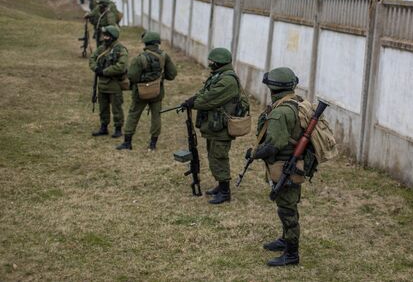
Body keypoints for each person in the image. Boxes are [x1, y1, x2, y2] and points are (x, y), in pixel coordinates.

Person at [250, 67, 303, 266]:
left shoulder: (281, 112)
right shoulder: (295, 103)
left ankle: (291, 254)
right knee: (288, 206)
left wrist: (254, 153)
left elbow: (274, 145)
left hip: (284, 167)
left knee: (287, 210)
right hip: (291, 164)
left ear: (273, 88)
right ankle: (285, 239)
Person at [180, 48, 243, 205]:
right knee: (213, 155)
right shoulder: (218, 75)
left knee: (219, 156)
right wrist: (192, 99)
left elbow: (209, 99)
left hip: (222, 126)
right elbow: (204, 92)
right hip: (214, 125)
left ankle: (225, 192)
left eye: (211, 62)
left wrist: (194, 103)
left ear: (219, 63)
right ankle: (220, 185)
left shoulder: (228, 80)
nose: (210, 64)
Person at [116, 31, 177, 151]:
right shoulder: (164, 56)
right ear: (157, 43)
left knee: (133, 115)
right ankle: (153, 144)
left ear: (146, 43)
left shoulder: (139, 59)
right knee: (156, 116)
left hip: (140, 92)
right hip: (157, 92)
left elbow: (132, 76)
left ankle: (127, 143)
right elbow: (172, 74)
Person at [89, 25, 128, 138]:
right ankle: (103, 127)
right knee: (103, 107)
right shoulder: (102, 48)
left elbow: (121, 66)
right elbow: (92, 58)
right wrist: (96, 68)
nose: (104, 37)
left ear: (113, 36)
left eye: (107, 35)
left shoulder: (121, 49)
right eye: (104, 35)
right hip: (102, 84)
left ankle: (118, 128)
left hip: (114, 84)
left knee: (116, 108)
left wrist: (104, 72)